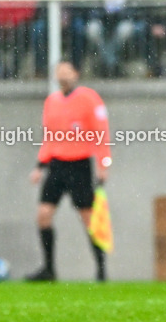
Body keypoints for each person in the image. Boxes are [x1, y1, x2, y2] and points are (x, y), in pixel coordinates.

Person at [27, 61, 111, 282]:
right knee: (43, 215)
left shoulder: (89, 98)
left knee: (88, 218)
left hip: (79, 165)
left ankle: (101, 269)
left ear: (76, 74)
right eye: (60, 72)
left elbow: (101, 132)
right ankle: (49, 269)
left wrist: (103, 164)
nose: (63, 76)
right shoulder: (51, 102)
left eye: (67, 71)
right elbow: (49, 137)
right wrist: (39, 166)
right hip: (56, 165)